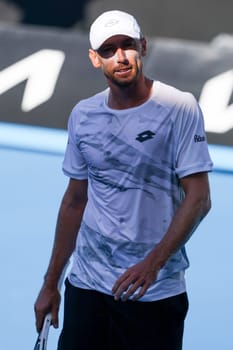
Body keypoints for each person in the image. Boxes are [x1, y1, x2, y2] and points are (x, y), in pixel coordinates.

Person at [34, 9, 213, 350]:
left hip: (153, 291)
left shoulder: (179, 107)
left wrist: (151, 265)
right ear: (94, 58)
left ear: (143, 46)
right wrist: (50, 283)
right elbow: (74, 201)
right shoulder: (83, 115)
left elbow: (200, 198)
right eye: (108, 49)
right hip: (87, 286)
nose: (120, 56)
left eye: (127, 45)